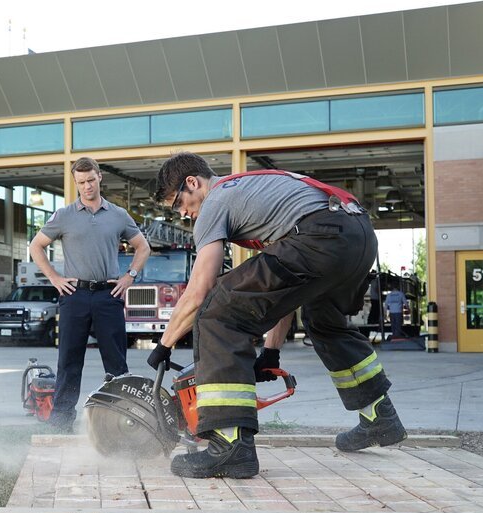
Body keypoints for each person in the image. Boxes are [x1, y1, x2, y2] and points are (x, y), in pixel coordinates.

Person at [147, 151, 406, 479]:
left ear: (193, 182)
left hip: (320, 236)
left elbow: (201, 288)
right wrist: (270, 352)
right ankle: (380, 417)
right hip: (357, 236)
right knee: (325, 324)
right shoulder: (253, 195)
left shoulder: (215, 201)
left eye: (177, 203)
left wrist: (165, 344)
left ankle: (230, 444)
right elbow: (285, 285)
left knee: (218, 314)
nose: (183, 213)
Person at [29, 156, 150, 433]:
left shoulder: (118, 215)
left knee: (116, 363)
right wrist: (54, 278)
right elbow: (36, 246)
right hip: (75, 296)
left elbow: (143, 247)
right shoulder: (64, 216)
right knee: (69, 360)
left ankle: (122, 421)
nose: (87, 186)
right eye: (81, 182)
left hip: (108, 295)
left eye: (91, 180)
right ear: (76, 182)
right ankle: (61, 422)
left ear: (99, 177)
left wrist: (129, 276)